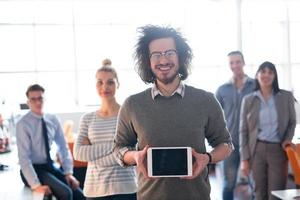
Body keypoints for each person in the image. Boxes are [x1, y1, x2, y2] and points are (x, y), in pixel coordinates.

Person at [113, 25, 233, 200]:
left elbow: (226, 144)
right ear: (148, 60)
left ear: (181, 57)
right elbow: (118, 148)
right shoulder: (132, 104)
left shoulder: (206, 100)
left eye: (170, 53)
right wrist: (134, 156)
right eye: (156, 55)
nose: (163, 60)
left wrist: (207, 158)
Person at [74, 59, 137, 200]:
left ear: (118, 84)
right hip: (95, 190)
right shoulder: (87, 118)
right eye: (100, 82)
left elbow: (134, 151)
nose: (105, 87)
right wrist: (118, 147)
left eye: (110, 82)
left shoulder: (128, 114)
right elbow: (78, 153)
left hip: (125, 188)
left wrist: (93, 155)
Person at [16, 84, 85, 200]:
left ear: (44, 99)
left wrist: (68, 172)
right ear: (28, 102)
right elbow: (24, 159)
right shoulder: (23, 124)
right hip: (33, 169)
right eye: (33, 99)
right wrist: (36, 185)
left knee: (79, 194)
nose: (38, 102)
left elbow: (63, 147)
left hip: (49, 166)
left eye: (40, 98)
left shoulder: (52, 119)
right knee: (66, 193)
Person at [240, 61, 296, 200]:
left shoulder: (286, 97)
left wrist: (288, 138)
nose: (266, 75)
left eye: (270, 72)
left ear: (275, 76)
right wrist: (244, 158)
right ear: (257, 75)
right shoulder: (248, 100)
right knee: (259, 193)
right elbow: (243, 131)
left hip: (277, 149)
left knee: (276, 194)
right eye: (263, 71)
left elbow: (292, 122)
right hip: (256, 150)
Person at [215, 51, 255, 200]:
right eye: (231, 63)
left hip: (251, 143)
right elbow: (215, 117)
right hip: (229, 143)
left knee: (254, 184)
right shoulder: (222, 89)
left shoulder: (255, 85)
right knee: (228, 184)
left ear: (243, 63)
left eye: (238, 62)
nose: (235, 65)